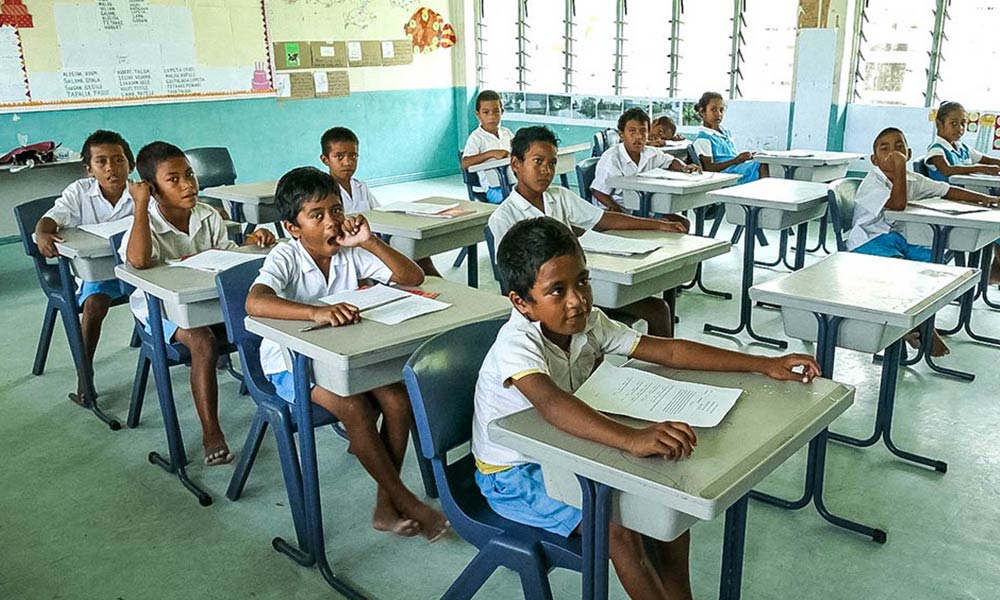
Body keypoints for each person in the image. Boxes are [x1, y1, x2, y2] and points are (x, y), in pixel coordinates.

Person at [473, 215, 821, 600]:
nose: (578, 300)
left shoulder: (590, 323)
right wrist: (631, 439)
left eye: (583, 281)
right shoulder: (516, 344)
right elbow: (554, 406)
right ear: (522, 303)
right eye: (558, 291)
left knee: (662, 500)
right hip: (513, 474)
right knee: (619, 531)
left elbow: (669, 350)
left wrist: (761, 364)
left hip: (567, 450)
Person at [245, 166, 449, 540]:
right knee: (354, 407)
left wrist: (371, 242)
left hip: (348, 357)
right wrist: (315, 311)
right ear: (293, 227)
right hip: (292, 364)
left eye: (336, 210)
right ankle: (404, 498)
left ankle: (385, 506)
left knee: (399, 399)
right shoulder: (285, 257)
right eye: (317, 215)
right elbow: (255, 302)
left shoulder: (349, 252)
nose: (331, 223)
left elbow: (412, 278)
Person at [121, 141, 277, 465]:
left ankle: (281, 396)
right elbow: (137, 261)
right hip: (160, 310)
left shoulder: (206, 215)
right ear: (152, 189)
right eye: (173, 179)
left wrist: (252, 242)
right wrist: (139, 205)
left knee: (266, 316)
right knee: (203, 342)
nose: (188, 184)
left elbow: (225, 258)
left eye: (189, 175)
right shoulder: (144, 222)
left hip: (205, 301)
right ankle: (211, 431)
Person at [35, 130, 136, 406]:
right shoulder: (78, 192)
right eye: (101, 162)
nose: (111, 168)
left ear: (131, 164)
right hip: (95, 272)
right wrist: (43, 233)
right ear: (89, 169)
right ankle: (84, 372)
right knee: (94, 304)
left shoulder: (140, 193)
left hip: (135, 270)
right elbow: (50, 220)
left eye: (118, 160)